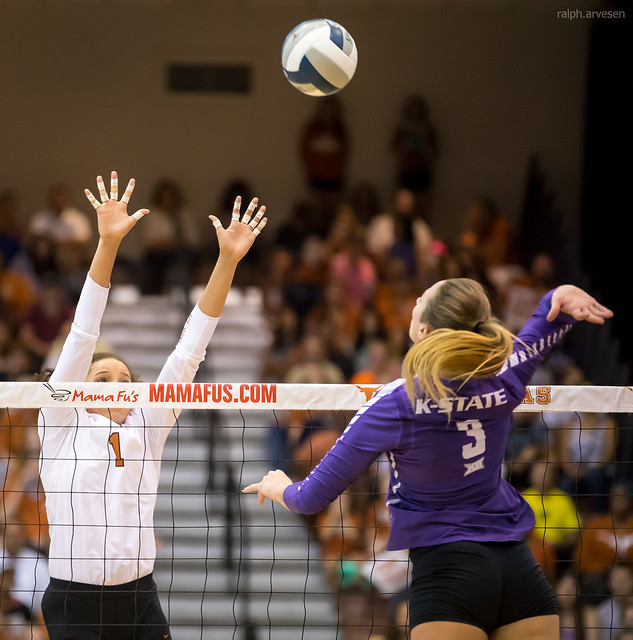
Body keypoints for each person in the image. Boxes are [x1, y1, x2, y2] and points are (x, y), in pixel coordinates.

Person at [244, 277, 613, 639]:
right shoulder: (504, 374)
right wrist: (560, 297)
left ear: (423, 329)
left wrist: (281, 487)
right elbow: (541, 328)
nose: (417, 296)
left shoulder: (396, 402)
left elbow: (311, 498)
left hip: (449, 576)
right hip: (519, 572)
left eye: (423, 297)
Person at [37, 171, 267, 640]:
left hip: (140, 597)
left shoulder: (147, 424)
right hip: (76, 601)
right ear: (79, 388)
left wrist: (227, 261)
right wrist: (107, 244)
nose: (118, 387)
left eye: (126, 380)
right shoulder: (61, 420)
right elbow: (83, 336)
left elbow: (189, 352)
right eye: (103, 378)